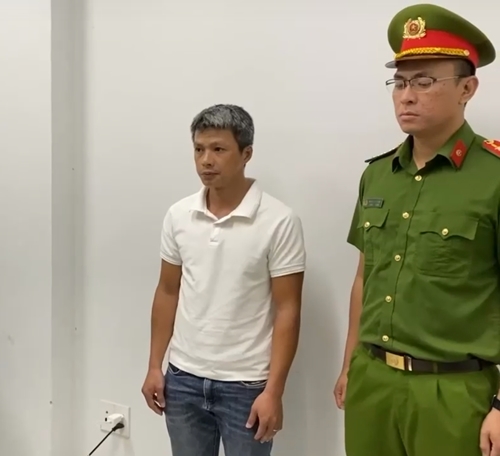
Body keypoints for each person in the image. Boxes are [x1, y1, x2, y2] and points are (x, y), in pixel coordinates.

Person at [335, 4, 500, 456]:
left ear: (467, 88)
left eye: (424, 82)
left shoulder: (493, 177)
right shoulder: (378, 175)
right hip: (372, 381)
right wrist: (351, 364)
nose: (406, 96)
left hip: (453, 392)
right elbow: (364, 277)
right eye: (400, 82)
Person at [140, 104, 306, 456]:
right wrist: (155, 366)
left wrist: (273, 391)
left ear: (246, 154)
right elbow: (167, 291)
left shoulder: (279, 221)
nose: (206, 161)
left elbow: (288, 309)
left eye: (218, 149)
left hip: (246, 384)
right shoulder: (179, 215)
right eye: (199, 149)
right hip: (182, 378)